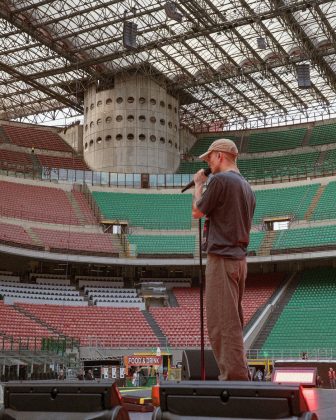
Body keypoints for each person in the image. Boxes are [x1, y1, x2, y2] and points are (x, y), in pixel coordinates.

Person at [192, 138, 256, 381]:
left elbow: (198, 211)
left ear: (220, 156)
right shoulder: (247, 187)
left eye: (209, 158)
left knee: (222, 324)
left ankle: (234, 381)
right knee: (233, 322)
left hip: (222, 258)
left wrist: (199, 184)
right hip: (239, 260)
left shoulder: (219, 180)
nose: (208, 163)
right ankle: (240, 376)